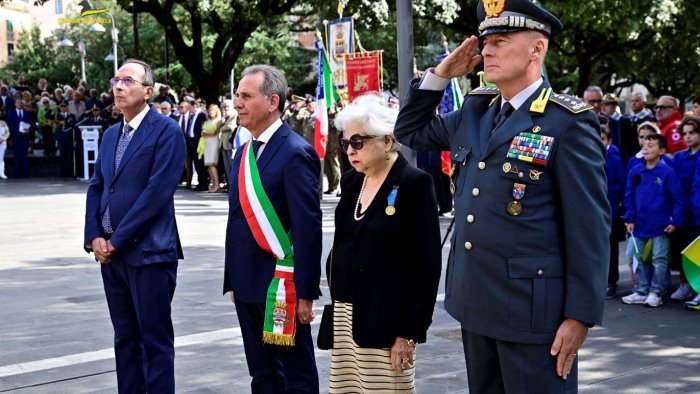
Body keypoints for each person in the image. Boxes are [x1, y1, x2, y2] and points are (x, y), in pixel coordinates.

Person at [393, 0, 611, 391]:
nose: (487, 49)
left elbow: (589, 227)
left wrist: (580, 316)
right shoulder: (476, 109)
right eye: (486, 40)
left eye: (501, 40)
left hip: (533, 312)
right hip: (475, 302)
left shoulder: (567, 122)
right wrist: (442, 75)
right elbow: (410, 131)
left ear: (536, 49)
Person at [327, 94, 441, 393]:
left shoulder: (414, 184)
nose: (350, 150)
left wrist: (408, 333)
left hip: (387, 320)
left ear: (387, 141)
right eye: (346, 142)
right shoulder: (353, 181)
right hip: (346, 314)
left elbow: (425, 267)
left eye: (357, 141)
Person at [83, 59, 185, 393]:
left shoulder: (166, 131)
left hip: (149, 252)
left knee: (153, 340)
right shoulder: (112, 134)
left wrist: (119, 240)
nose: (119, 86)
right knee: (124, 338)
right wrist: (95, 236)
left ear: (148, 91)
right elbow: (98, 186)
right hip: (111, 255)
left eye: (128, 80)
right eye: (116, 79)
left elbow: (157, 193)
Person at [223, 64, 322, 393]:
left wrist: (306, 292)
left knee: (296, 376)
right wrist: (232, 277)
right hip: (246, 283)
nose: (237, 103)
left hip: (281, 286)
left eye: (246, 96)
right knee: (262, 375)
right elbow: (236, 220)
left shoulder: (296, 152)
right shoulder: (243, 152)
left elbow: (308, 228)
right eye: (237, 95)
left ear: (272, 101)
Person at [622, 134, 686, 307]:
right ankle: (640, 290)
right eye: (644, 145)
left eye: (651, 145)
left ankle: (655, 292)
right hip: (639, 223)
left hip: (660, 224)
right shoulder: (636, 170)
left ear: (662, 151)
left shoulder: (667, 173)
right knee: (632, 255)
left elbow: (678, 199)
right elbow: (628, 196)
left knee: (659, 258)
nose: (646, 148)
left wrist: (676, 221)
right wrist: (629, 218)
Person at [669, 117, 700, 301]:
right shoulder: (680, 156)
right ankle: (685, 284)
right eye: (685, 133)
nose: (687, 137)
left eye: (692, 132)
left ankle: (697, 288)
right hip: (682, 210)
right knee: (682, 249)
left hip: (697, 211)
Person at [601, 124, 626, 299]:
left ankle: (611, 282)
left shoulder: (614, 160)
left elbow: (621, 184)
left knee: (611, 249)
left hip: (610, 211)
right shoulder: (586, 156)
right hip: (590, 212)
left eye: (602, 139)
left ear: (609, 141)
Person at [6, 99, 36, 177]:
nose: (20, 104)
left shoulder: (28, 113)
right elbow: (8, 127)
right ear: (15, 104)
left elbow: (33, 125)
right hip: (15, 138)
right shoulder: (10, 114)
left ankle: (25, 173)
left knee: (24, 156)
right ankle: (17, 174)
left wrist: (29, 130)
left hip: (25, 137)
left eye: (21, 103)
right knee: (16, 156)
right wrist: (9, 139)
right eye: (18, 103)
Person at [218, 99, 237, 189]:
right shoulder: (224, 117)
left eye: (227, 106)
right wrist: (223, 119)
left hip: (230, 144)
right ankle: (230, 185)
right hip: (223, 144)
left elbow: (231, 126)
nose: (225, 109)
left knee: (231, 165)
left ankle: (233, 185)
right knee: (226, 166)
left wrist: (222, 127)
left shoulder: (234, 115)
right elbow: (218, 126)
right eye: (224, 107)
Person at [201, 103, 221, 192]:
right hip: (207, 144)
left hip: (214, 143)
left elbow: (213, 132)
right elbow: (202, 132)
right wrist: (206, 132)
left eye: (213, 110)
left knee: (212, 164)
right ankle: (213, 185)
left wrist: (206, 132)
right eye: (210, 111)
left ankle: (217, 185)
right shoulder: (207, 121)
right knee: (209, 165)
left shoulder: (218, 121)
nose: (211, 112)